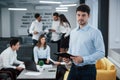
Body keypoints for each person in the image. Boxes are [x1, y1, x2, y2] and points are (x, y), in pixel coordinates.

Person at [63, 4, 105, 80]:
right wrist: (68, 57)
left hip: (88, 70)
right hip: (74, 69)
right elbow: (71, 49)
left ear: (88, 16)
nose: (80, 18)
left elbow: (101, 52)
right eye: (78, 15)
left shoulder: (95, 32)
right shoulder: (73, 32)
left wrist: (83, 59)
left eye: (83, 15)